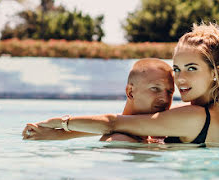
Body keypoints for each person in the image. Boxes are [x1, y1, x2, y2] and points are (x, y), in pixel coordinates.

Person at [23, 23, 219, 147]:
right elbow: (128, 123)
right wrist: (55, 136)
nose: (181, 78)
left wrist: (62, 122)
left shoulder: (195, 117)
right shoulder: (205, 113)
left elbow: (113, 123)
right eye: (177, 69)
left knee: (117, 139)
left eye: (192, 68)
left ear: (214, 72)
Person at [22, 58, 174, 142]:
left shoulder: (158, 131)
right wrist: (62, 128)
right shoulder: (119, 142)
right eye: (155, 88)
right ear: (130, 92)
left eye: (170, 91)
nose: (165, 98)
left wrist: (62, 133)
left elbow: (113, 123)